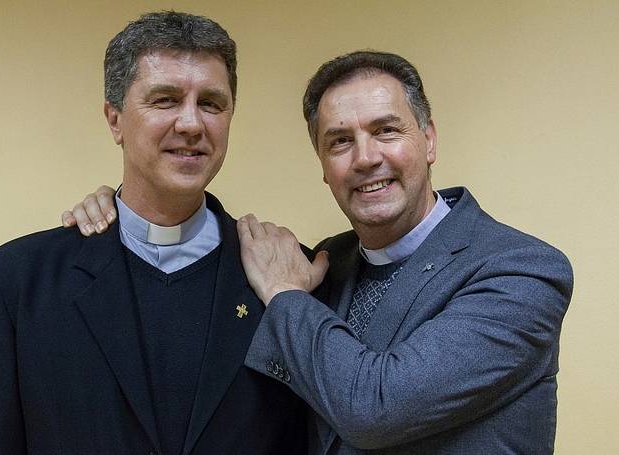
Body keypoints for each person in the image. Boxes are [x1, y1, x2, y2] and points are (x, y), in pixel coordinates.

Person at [66, 51, 573, 453]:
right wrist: (128, 215)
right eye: (339, 141)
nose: (366, 158)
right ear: (323, 166)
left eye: (386, 130)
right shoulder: (327, 262)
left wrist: (285, 294)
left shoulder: (520, 271)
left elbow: (375, 408)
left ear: (429, 139)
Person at [0, 11, 307, 455]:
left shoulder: (287, 281)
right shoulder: (20, 280)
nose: (191, 124)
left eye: (211, 103)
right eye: (165, 100)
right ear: (115, 119)